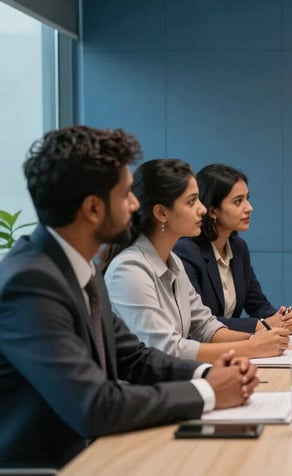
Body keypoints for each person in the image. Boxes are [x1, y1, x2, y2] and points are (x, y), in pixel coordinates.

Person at [0, 126, 258, 468]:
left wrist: (207, 374)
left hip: (98, 453)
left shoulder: (81, 269)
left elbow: (135, 358)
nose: (136, 204)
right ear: (93, 208)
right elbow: (95, 405)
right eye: (125, 195)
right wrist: (210, 393)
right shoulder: (30, 283)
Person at [103, 159, 290, 363]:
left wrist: (261, 340)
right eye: (191, 201)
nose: (202, 209)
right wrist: (251, 347)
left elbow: (205, 326)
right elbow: (166, 350)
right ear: (161, 213)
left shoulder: (173, 261)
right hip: (145, 391)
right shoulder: (129, 271)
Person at [174, 164, 292, 333]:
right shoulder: (187, 251)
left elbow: (257, 304)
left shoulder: (238, 248)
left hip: (234, 348)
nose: (249, 208)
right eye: (238, 201)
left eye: (247, 198)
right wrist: (262, 325)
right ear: (212, 211)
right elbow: (200, 322)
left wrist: (283, 318)